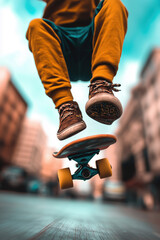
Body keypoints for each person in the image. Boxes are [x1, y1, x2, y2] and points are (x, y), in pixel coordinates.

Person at [26, 0, 128, 140]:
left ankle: (101, 84)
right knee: (36, 26)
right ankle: (66, 108)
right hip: (60, 50)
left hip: (92, 46)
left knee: (114, 4)